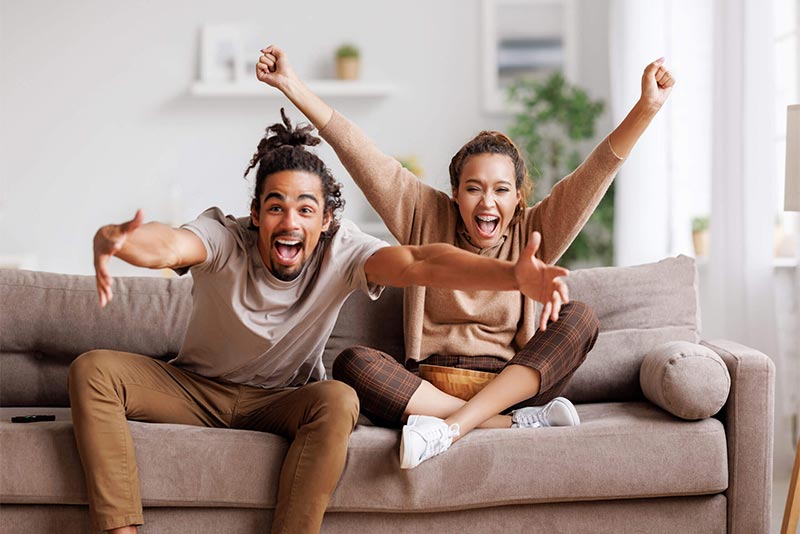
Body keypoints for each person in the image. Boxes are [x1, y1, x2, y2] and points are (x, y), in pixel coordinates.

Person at [68, 108, 571, 533]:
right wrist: (119, 241)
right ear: (256, 214)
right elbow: (171, 244)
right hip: (196, 389)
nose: (290, 222)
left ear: (326, 219)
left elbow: (421, 263)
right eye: (276, 207)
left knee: (339, 397)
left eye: (306, 209)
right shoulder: (225, 237)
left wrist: (511, 276)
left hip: (285, 399)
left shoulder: (344, 249)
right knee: (93, 370)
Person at [256, 45, 675, 469]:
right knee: (350, 364)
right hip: (431, 385)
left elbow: (597, 171)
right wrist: (292, 85)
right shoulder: (424, 214)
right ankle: (508, 426)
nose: (486, 201)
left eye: (500, 190)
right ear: (455, 194)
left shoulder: (535, 230)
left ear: (518, 198)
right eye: (473, 188)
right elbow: (357, 150)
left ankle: (451, 428)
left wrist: (645, 108)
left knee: (580, 315)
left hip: (513, 385)